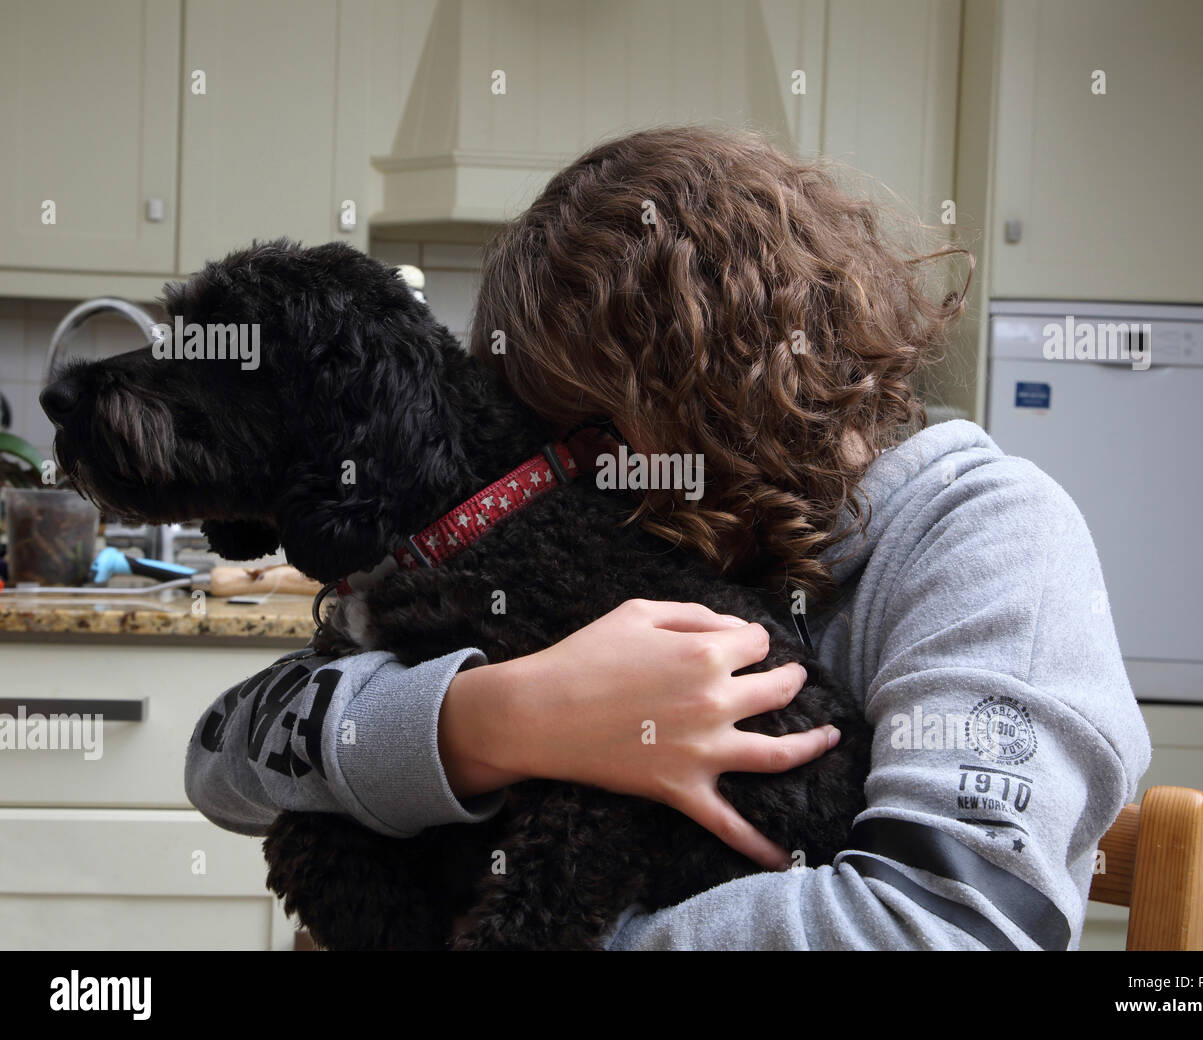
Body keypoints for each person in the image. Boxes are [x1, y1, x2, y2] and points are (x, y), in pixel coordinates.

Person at [185, 126, 1151, 950]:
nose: (554, 473)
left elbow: (948, 928)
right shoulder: (625, 551)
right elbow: (222, 761)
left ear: (725, 392)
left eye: (582, 436)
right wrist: (484, 720)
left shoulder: (990, 540)